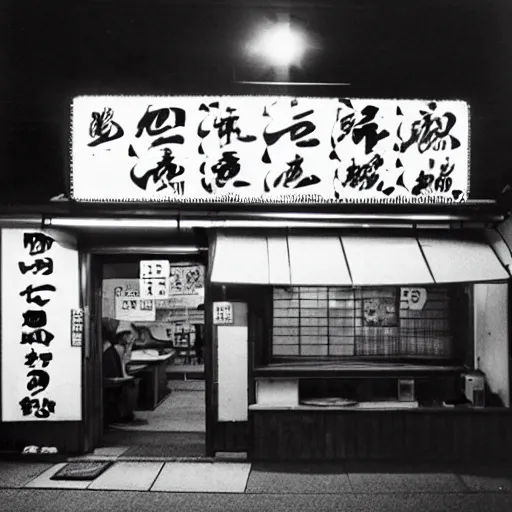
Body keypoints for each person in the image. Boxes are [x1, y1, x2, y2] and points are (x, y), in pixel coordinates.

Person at [102, 318, 148, 426]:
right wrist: (125, 378)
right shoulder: (117, 349)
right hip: (112, 378)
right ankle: (124, 413)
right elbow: (122, 364)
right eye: (129, 335)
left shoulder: (113, 347)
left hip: (112, 376)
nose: (131, 338)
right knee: (132, 386)